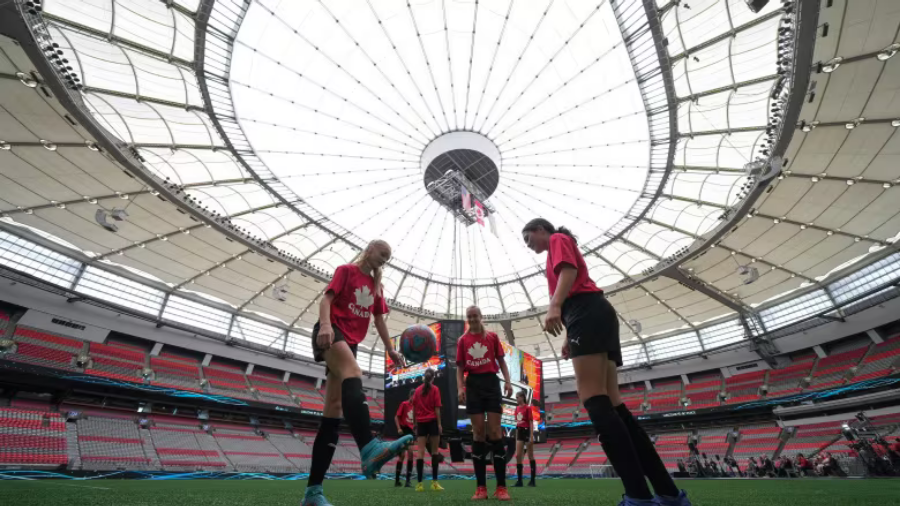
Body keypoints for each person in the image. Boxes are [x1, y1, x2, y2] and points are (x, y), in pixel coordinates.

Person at [522, 218, 690, 506]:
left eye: (529, 238)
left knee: (593, 399)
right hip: (594, 314)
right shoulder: (557, 248)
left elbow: (570, 272)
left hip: (584, 311)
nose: (529, 245)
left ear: (542, 229)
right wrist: (568, 334)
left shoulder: (557, 241)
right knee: (613, 403)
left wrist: (554, 305)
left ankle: (638, 496)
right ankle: (668, 493)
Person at [302, 240, 414, 506]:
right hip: (331, 332)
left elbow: (378, 320)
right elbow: (326, 299)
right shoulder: (346, 271)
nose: (384, 259)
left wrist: (391, 350)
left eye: (388, 258)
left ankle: (312, 493)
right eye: (382, 254)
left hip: (350, 342)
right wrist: (327, 325)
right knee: (354, 371)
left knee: (333, 408)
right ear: (370, 249)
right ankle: (368, 448)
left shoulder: (377, 287)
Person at [456, 305, 514, 501]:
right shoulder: (462, 341)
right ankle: (481, 488)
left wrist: (507, 381)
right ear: (467, 319)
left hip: (491, 383)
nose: (472, 319)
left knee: (495, 432)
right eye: (469, 317)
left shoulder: (492, 337)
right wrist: (460, 388)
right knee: (478, 433)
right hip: (473, 385)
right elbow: (460, 368)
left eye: (475, 316)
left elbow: (502, 362)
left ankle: (501, 487)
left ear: (481, 317)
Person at [412, 368, 444, 492]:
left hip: (421, 423)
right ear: (433, 378)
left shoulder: (417, 390)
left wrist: (415, 424)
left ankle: (419, 484)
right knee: (435, 452)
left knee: (420, 452)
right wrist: (439, 424)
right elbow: (437, 409)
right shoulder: (435, 389)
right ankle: (434, 483)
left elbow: (414, 409)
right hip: (432, 422)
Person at [513, 391, 536, 487]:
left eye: (517, 397)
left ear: (522, 397)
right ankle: (519, 481)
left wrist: (531, 436)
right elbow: (517, 423)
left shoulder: (528, 408)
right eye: (516, 397)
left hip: (527, 431)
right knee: (518, 456)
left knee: (530, 456)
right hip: (519, 432)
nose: (516, 399)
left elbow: (530, 422)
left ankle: (532, 481)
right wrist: (516, 437)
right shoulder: (517, 408)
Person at [393, 389, 416, 487]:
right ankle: (397, 480)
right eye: (414, 396)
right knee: (402, 456)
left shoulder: (416, 407)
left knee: (411, 453)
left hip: (411, 432)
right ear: (410, 396)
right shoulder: (404, 404)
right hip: (403, 430)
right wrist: (398, 428)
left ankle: (408, 481)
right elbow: (396, 417)